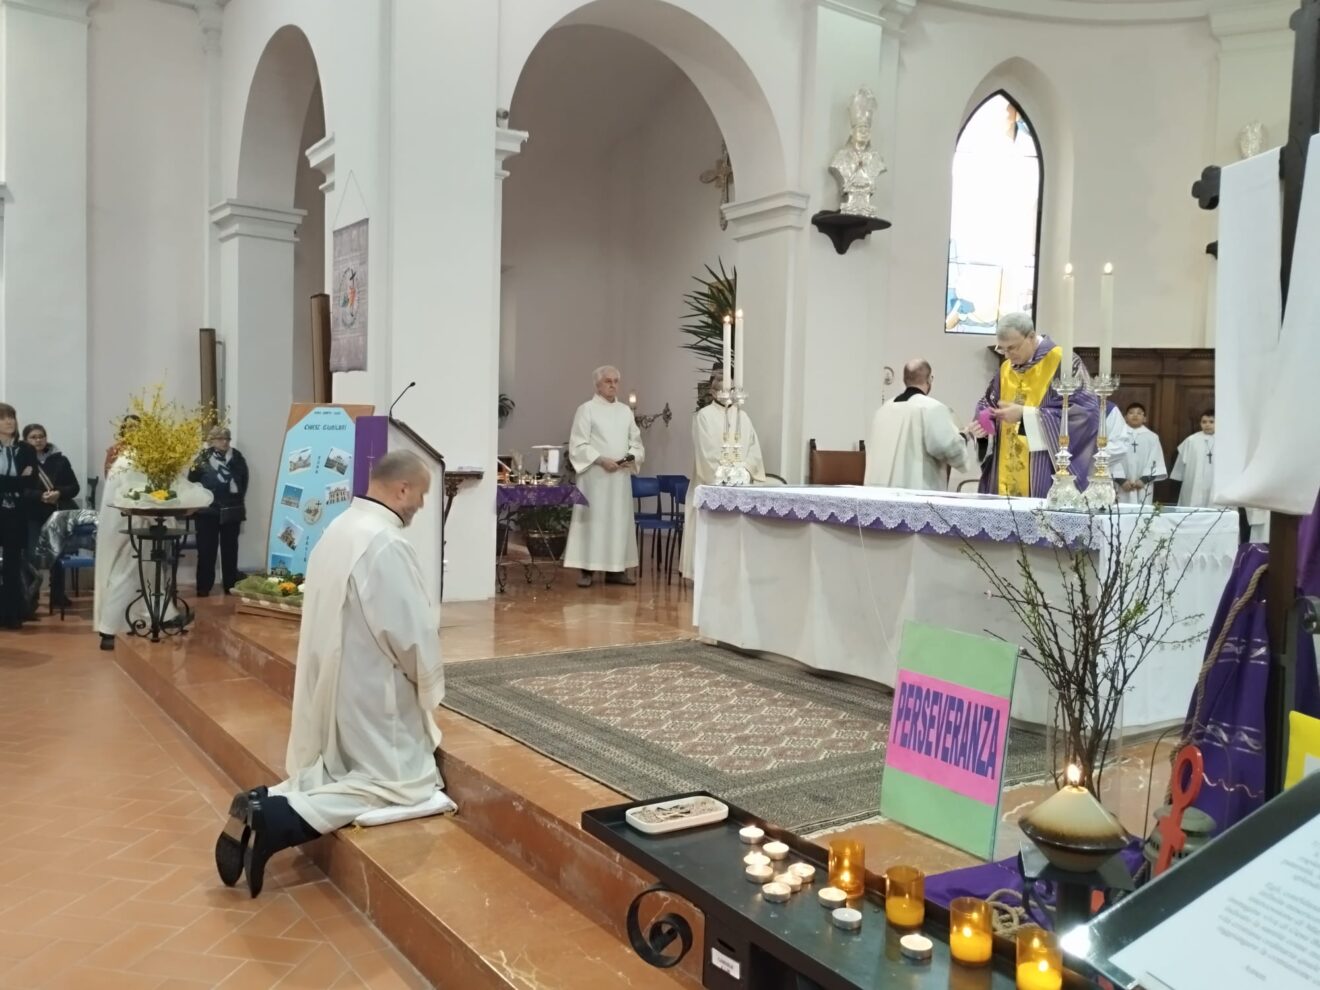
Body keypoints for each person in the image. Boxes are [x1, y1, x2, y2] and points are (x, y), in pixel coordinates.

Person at [214, 450, 445, 898]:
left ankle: (265, 797)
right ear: (402, 489)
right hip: (373, 690)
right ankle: (274, 819)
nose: (420, 505)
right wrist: (428, 681)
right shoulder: (386, 542)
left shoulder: (339, 528)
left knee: (336, 770)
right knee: (402, 784)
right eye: (421, 494)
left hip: (334, 684)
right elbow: (409, 632)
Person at [971, 312, 1100, 498]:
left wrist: (1025, 415)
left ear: (1031, 337)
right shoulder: (1006, 369)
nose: (1008, 355)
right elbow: (988, 403)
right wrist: (984, 425)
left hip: (1042, 473)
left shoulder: (1063, 363)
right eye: (1003, 350)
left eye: (1012, 348)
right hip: (1003, 474)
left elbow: (1084, 414)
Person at [680, 367, 766, 578]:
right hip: (714, 484)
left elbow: (754, 450)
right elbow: (706, 452)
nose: (728, 394)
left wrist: (744, 471)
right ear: (713, 391)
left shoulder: (743, 417)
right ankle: (706, 574)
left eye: (732, 389)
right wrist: (725, 475)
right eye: (723, 389)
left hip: (742, 486)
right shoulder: (704, 416)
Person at [565, 365, 644, 588]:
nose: (613, 385)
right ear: (597, 385)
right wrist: (601, 460)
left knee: (617, 522)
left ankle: (616, 570)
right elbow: (579, 443)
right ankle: (587, 569)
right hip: (595, 477)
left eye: (616, 381)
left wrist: (632, 457)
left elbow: (636, 442)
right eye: (608, 381)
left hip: (619, 478)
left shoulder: (625, 412)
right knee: (594, 522)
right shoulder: (586, 409)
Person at [864, 359, 973, 490]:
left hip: (880, 495)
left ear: (905, 380)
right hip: (914, 495)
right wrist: (964, 436)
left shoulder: (882, 410)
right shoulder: (932, 408)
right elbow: (947, 447)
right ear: (929, 379)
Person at [23, 424, 80, 609]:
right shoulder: (21, 461)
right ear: (25, 440)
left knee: (57, 553)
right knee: (32, 554)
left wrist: (58, 493)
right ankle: (31, 595)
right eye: (33, 437)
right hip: (31, 514)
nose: (38, 440)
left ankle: (57, 595)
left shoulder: (60, 460)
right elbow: (19, 489)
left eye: (41, 436)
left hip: (55, 513)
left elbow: (74, 487)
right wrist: (39, 495)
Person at [188, 426, 249, 596]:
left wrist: (234, 500)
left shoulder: (237, 458)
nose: (225, 442)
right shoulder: (201, 459)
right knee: (206, 550)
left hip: (232, 510)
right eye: (221, 439)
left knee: (230, 550)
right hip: (207, 512)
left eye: (227, 439)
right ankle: (204, 587)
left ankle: (230, 584)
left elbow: (243, 482)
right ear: (211, 441)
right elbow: (193, 483)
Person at [0, 404, 37, 629]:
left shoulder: (25, 449)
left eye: (11, 417)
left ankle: (13, 613)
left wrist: (9, 483)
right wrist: (17, 481)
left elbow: (30, 482)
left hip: (16, 512)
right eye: (3, 418)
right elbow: (21, 481)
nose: (9, 422)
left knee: (13, 565)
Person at [1116, 402, 1168, 505]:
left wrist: (1144, 480)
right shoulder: (1118, 436)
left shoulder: (1152, 437)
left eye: (1139, 413)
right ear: (1125, 417)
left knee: (1142, 512)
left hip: (1143, 484)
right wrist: (1121, 480)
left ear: (1145, 418)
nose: (1135, 415)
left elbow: (1156, 459)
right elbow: (1113, 458)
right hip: (1122, 484)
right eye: (1131, 413)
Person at [1171, 409, 1216, 507]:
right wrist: (1179, 475)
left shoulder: (1225, 439)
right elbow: (1181, 460)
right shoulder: (1191, 440)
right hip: (1194, 481)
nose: (1207, 425)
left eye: (1211, 422)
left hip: (1215, 480)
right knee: (1193, 500)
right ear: (1200, 423)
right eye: (1204, 422)